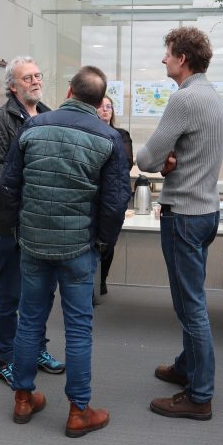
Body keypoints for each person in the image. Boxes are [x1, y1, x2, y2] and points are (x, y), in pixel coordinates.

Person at [0, 65, 131, 437]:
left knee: (29, 320)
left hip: (33, 242)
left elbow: (10, 182)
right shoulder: (109, 138)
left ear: (70, 89)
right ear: (100, 99)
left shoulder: (34, 126)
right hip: (79, 246)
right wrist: (101, 244)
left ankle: (23, 398)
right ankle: (78, 411)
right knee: (78, 328)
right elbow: (114, 203)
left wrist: (19, 227)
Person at [136, 27, 223, 421]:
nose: (163, 59)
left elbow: (146, 158)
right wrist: (171, 158)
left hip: (185, 214)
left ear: (183, 58)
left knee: (190, 306)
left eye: (168, 53)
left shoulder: (185, 100)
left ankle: (200, 394)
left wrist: (165, 159)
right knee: (190, 300)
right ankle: (187, 366)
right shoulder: (212, 97)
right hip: (206, 211)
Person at [0, 56, 65, 388]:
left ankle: (37, 349)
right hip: (12, 221)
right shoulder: (0, 121)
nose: (35, 81)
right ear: (12, 86)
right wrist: (30, 171)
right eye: (27, 77)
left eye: (38, 76)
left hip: (44, 220)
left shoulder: (48, 115)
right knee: (12, 292)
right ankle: (7, 358)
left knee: (43, 292)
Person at [96, 95, 133, 296]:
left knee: (108, 242)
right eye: (101, 106)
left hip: (113, 196)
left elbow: (126, 162)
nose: (105, 110)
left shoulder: (121, 134)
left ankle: (102, 278)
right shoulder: (89, 133)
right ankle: (90, 283)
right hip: (93, 194)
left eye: (109, 106)